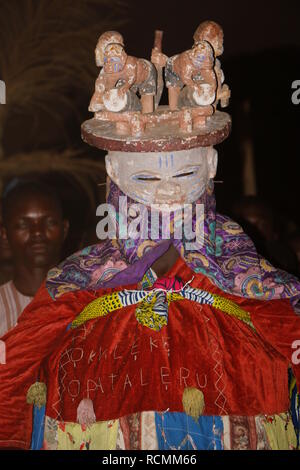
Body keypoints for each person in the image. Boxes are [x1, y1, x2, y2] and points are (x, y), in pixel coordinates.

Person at [0, 179, 69, 337]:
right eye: (24, 224)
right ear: (5, 234)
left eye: (49, 222)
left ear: (64, 229)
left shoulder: (86, 302)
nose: (37, 232)